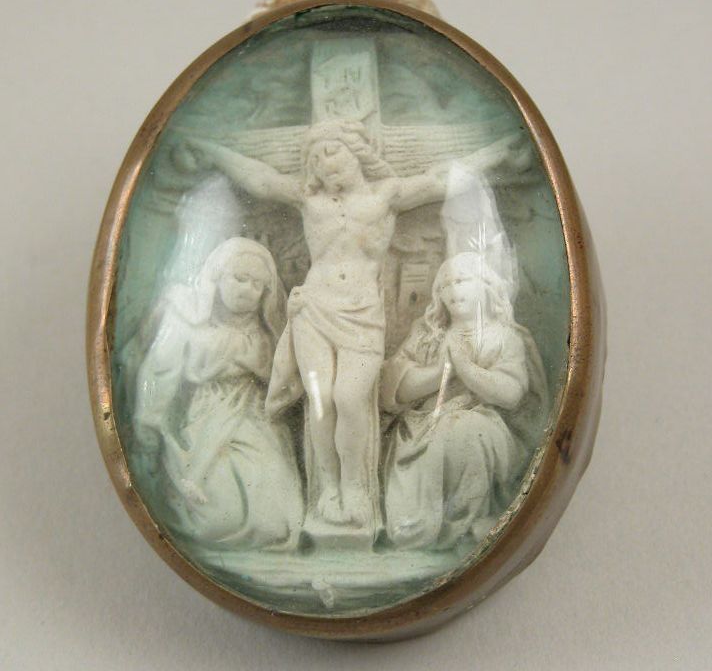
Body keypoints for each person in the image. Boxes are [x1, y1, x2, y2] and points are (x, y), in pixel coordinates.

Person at [177, 120, 530, 538]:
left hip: (362, 313)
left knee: (350, 396)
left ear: (356, 152)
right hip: (314, 308)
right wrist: (210, 151)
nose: (324, 164)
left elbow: (441, 179)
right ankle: (329, 490)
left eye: (332, 152)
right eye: (315, 158)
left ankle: (356, 488)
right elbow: (261, 179)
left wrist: (498, 153)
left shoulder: (386, 195)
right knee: (321, 399)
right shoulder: (308, 199)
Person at [134, 237, 304, 550]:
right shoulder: (188, 320)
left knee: (274, 514)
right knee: (215, 517)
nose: (247, 290)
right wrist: (149, 425)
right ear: (217, 278)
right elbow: (160, 374)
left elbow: (289, 383)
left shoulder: (268, 334)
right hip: (204, 415)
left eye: (257, 285)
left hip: (255, 419)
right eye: (239, 278)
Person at [379, 252, 548, 550]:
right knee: (428, 437)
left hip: (480, 421)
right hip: (420, 426)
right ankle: (418, 525)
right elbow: (395, 388)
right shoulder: (428, 334)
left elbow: (510, 394)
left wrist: (466, 368)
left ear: (486, 285)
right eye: (445, 285)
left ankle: (466, 524)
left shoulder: (504, 336)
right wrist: (440, 372)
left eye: (462, 280)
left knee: (466, 431)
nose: (453, 290)